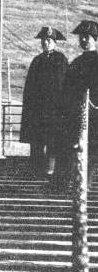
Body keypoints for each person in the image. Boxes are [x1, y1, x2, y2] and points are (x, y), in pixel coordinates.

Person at [54, 20, 98, 188]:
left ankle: (85, 182)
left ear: (94, 39)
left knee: (92, 149)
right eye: (82, 37)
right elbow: (67, 88)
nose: (84, 40)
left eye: (87, 37)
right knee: (72, 146)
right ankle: (68, 180)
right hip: (75, 112)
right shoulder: (76, 63)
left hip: (93, 114)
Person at [20, 27, 68, 176]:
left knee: (53, 139)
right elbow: (30, 86)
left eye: (49, 40)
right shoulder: (37, 60)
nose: (45, 43)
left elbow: (64, 85)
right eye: (43, 41)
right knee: (37, 140)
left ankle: (50, 168)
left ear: (54, 43)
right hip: (38, 109)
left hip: (54, 109)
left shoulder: (61, 60)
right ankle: (35, 169)